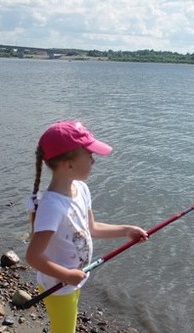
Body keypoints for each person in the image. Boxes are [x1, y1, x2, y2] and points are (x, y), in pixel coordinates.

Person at [26, 120, 148, 333]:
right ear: (69, 164)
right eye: (89, 155)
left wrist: (126, 230)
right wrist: (66, 275)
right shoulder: (52, 207)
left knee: (66, 327)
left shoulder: (81, 189)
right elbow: (33, 256)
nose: (93, 160)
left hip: (72, 280)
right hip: (58, 286)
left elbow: (91, 227)